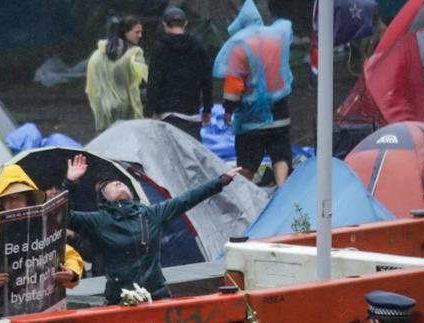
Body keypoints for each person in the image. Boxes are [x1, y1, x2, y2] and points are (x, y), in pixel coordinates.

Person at [65, 154, 240, 305]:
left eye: (121, 183)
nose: (118, 183)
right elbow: (63, 216)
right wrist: (70, 182)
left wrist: (220, 182)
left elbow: (187, 199)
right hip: (120, 299)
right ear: (104, 199)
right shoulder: (99, 220)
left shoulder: (150, 214)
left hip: (156, 295)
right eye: (110, 185)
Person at [0, 164, 84, 318]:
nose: (14, 202)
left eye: (19, 197)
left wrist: (72, 273)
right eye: (9, 198)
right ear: (0, 201)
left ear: (28, 198)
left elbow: (69, 254)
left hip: (40, 311)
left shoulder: (42, 224)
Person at [214, 0, 293, 186]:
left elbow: (234, 86)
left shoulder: (239, 47)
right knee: (280, 154)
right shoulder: (276, 40)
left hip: (251, 118)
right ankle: (282, 189)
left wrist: (228, 109)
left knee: (247, 161)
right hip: (279, 112)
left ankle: (246, 196)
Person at [145, 7, 213, 141]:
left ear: (164, 24)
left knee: (168, 156)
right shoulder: (198, 46)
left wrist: (149, 110)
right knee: (191, 156)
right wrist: (207, 108)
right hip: (191, 112)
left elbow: (154, 81)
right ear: (185, 23)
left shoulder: (160, 48)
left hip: (166, 114)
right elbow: (207, 81)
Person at [85, 15, 148, 131]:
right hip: (128, 110)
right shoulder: (134, 56)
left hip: (104, 107)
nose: (140, 35)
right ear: (125, 32)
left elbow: (94, 82)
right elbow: (140, 85)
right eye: (137, 32)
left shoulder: (99, 55)